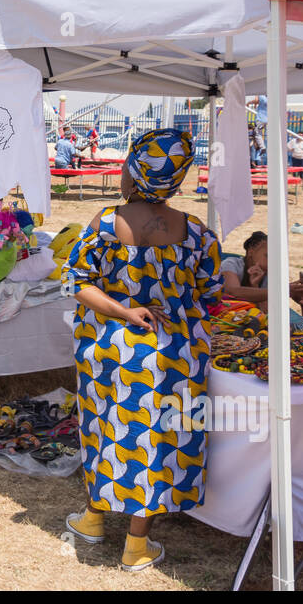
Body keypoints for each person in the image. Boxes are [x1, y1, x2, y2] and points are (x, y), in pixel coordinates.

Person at [62, 129, 223, 572]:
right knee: (159, 440)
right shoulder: (198, 234)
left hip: (109, 349)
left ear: (134, 166)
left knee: (107, 427)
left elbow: (76, 283)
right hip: (175, 354)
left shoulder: (104, 224)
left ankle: (94, 518)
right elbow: (211, 296)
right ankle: (136, 544)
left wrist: (124, 310)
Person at [220, 230, 303, 323]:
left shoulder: (269, 274)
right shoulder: (231, 264)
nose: (273, 260)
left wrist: (255, 286)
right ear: (251, 252)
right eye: (268, 255)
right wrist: (282, 291)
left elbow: (265, 313)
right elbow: (232, 292)